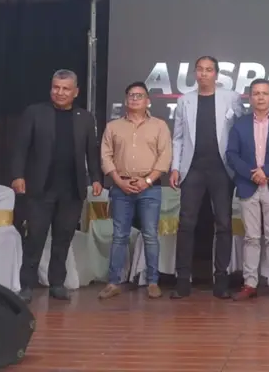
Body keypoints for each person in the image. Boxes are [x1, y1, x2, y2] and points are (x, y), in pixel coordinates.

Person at [11, 69, 102, 303]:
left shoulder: (85, 118)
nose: (60, 92)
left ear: (76, 92)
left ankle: (57, 284)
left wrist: (96, 178)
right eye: (56, 88)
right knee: (35, 239)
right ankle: (27, 286)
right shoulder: (35, 113)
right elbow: (20, 147)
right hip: (40, 189)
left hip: (72, 190)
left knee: (63, 239)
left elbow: (92, 153)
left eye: (65, 89)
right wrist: (17, 175)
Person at [169, 55, 245, 299]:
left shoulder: (231, 98)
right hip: (192, 169)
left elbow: (242, 132)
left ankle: (221, 280)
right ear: (195, 73)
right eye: (200, 69)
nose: (204, 74)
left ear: (216, 74)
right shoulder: (184, 100)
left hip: (222, 169)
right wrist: (175, 167)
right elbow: (178, 138)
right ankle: (183, 280)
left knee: (223, 223)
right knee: (186, 223)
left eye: (209, 70)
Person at [98, 82, 172, 300]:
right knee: (119, 236)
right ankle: (113, 282)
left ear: (148, 101)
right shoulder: (113, 127)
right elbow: (105, 156)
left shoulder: (159, 126)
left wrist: (147, 180)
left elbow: (165, 157)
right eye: (131, 95)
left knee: (150, 235)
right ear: (125, 100)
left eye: (140, 96)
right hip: (121, 187)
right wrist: (118, 181)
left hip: (150, 188)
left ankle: (153, 282)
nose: (135, 99)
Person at [226, 78, 269, 302]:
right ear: (250, 97)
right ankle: (250, 283)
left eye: (265, 93)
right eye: (256, 93)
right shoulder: (240, 124)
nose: (260, 97)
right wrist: (252, 174)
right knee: (251, 238)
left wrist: (266, 172)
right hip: (248, 186)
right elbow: (231, 155)